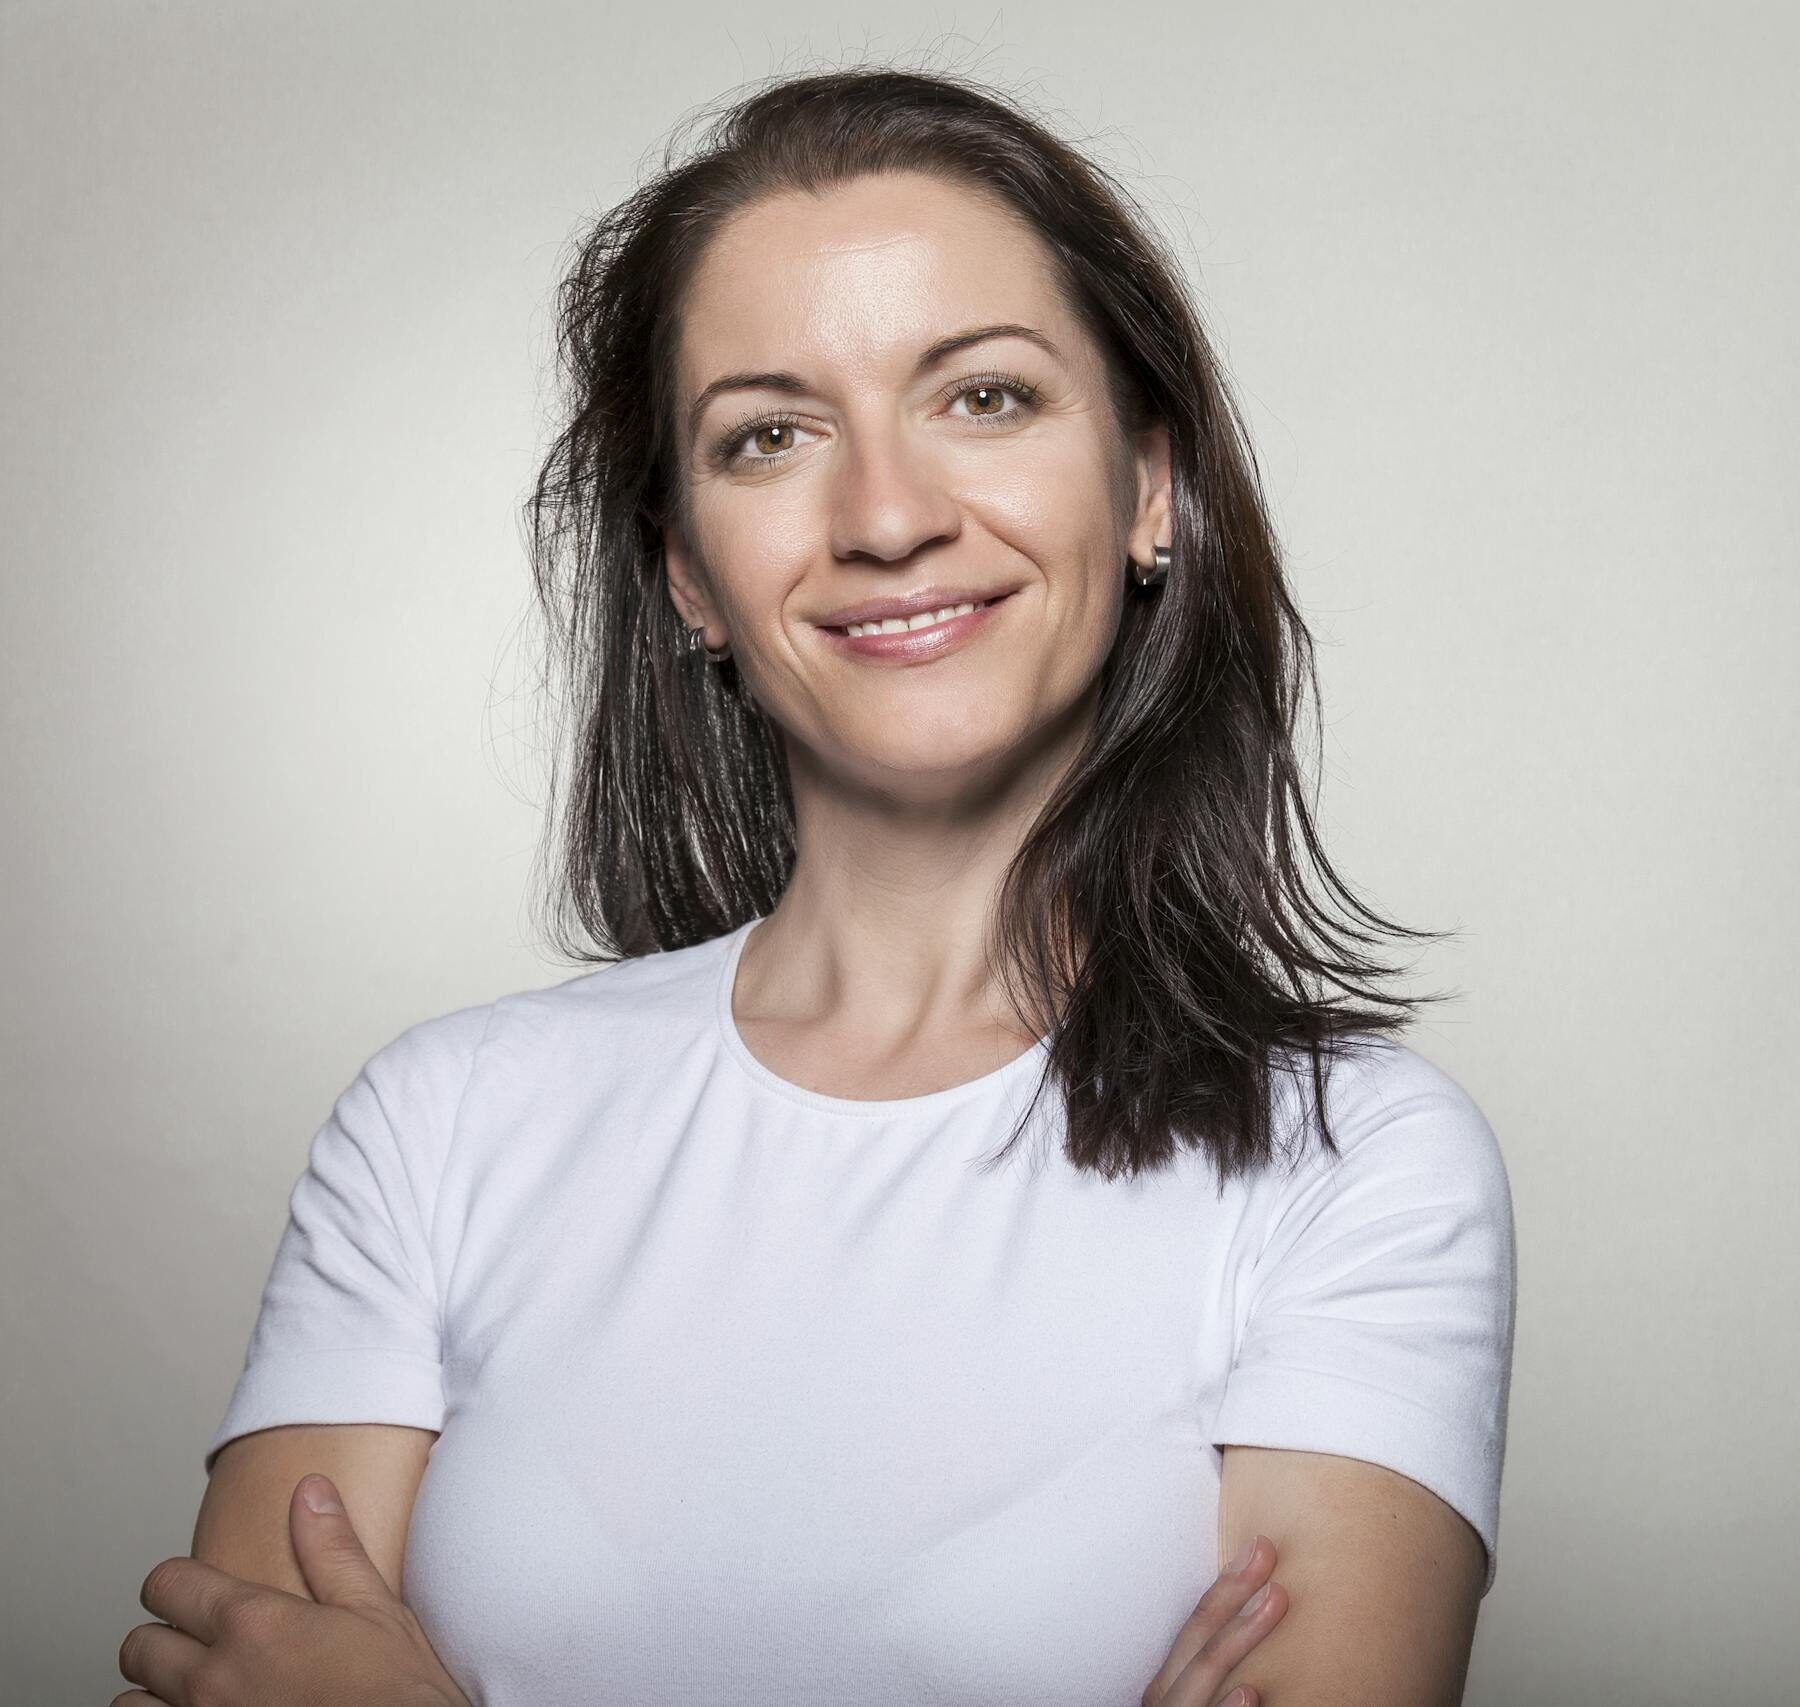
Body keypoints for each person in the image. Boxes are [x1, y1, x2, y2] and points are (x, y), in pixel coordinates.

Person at [183, 66, 1516, 1707]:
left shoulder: (1351, 1161)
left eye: (987, 400)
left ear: (1150, 488)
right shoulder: (442, 1126)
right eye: (771, 436)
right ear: (689, 575)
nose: (886, 515)